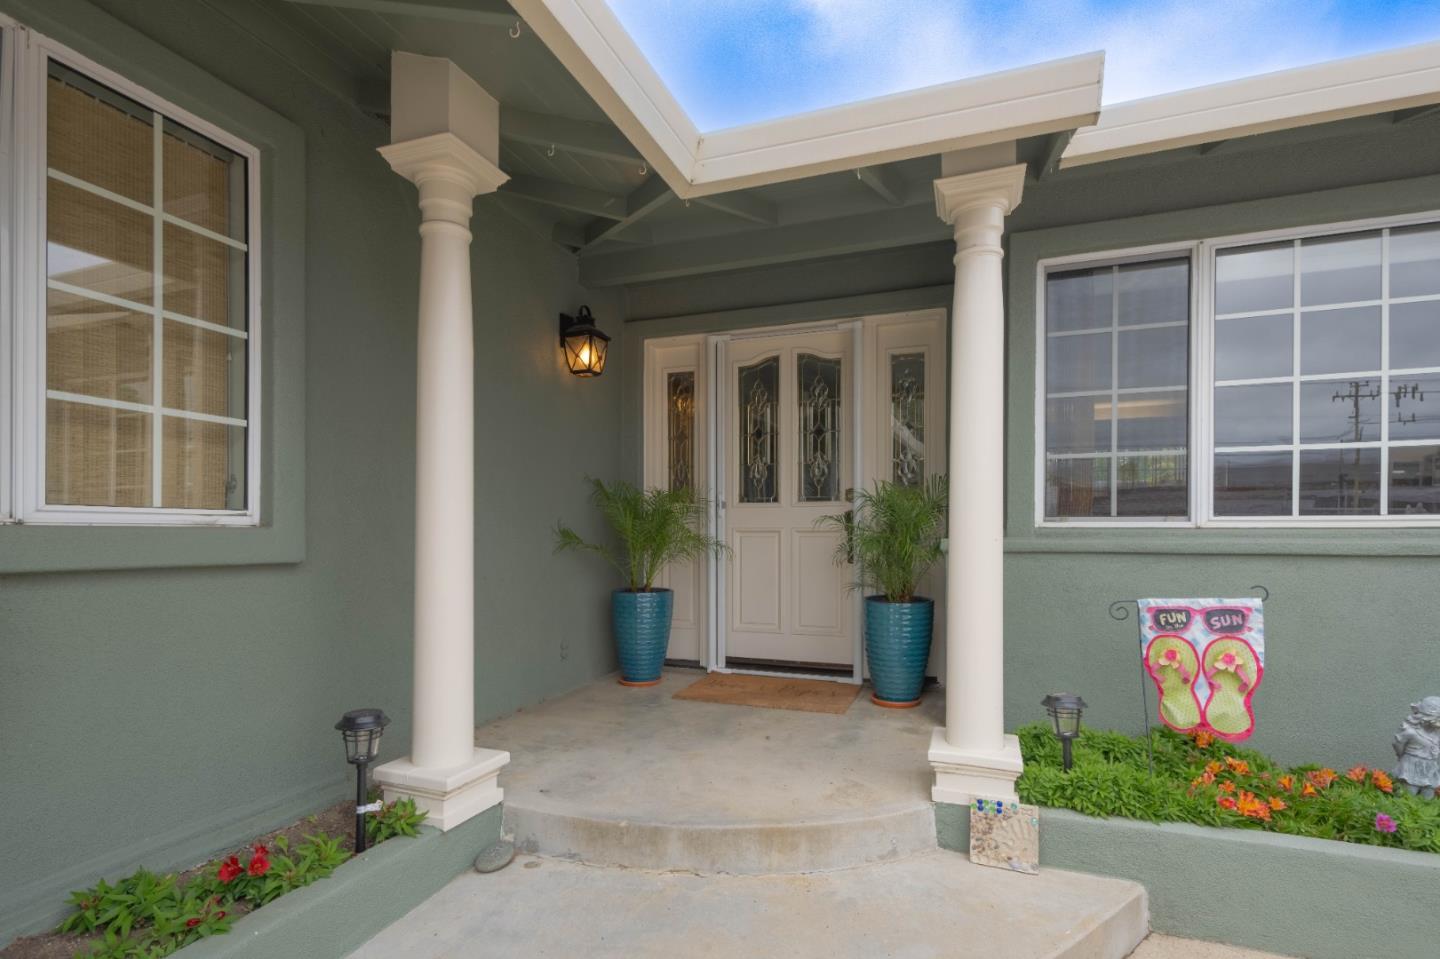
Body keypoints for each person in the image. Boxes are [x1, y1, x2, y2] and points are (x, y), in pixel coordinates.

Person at [1392, 696, 1440, 798]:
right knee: (1408, 795)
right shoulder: (1411, 732)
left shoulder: (1437, 733)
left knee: (1428, 797)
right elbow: (1398, 745)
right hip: (1411, 766)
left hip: (1430, 768)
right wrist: (1403, 758)